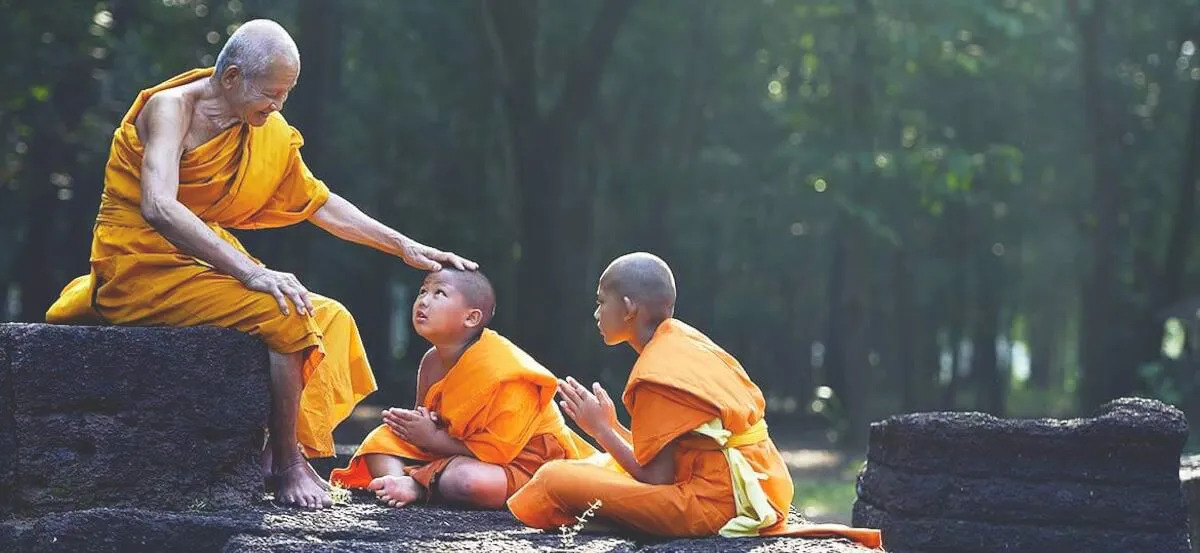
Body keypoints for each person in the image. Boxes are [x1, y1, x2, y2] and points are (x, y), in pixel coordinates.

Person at [44, 19, 476, 510]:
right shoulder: (172, 108)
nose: (277, 107)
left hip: (203, 257)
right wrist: (250, 272)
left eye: (286, 95)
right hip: (140, 262)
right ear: (230, 78)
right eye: (270, 94)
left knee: (330, 317)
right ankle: (292, 465)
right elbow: (159, 207)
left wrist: (401, 245)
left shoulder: (262, 128)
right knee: (287, 312)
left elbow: (317, 201)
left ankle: (273, 454)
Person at [506, 252, 882, 548]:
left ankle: (621, 519)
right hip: (766, 486)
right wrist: (614, 426)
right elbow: (680, 448)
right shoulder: (687, 341)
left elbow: (656, 476)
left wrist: (601, 429)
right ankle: (622, 516)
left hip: (716, 506)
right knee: (598, 465)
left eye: (601, 301)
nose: (596, 312)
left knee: (555, 477)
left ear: (629, 307)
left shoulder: (654, 372)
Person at [330, 269, 596, 508]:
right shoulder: (432, 361)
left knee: (466, 481)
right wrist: (419, 425)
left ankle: (419, 487)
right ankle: (395, 482)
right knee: (382, 439)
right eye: (423, 291)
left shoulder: (504, 371)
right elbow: (427, 421)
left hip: (523, 464)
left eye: (439, 293)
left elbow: (497, 452)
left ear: (471, 317)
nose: (423, 300)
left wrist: (432, 438)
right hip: (455, 450)